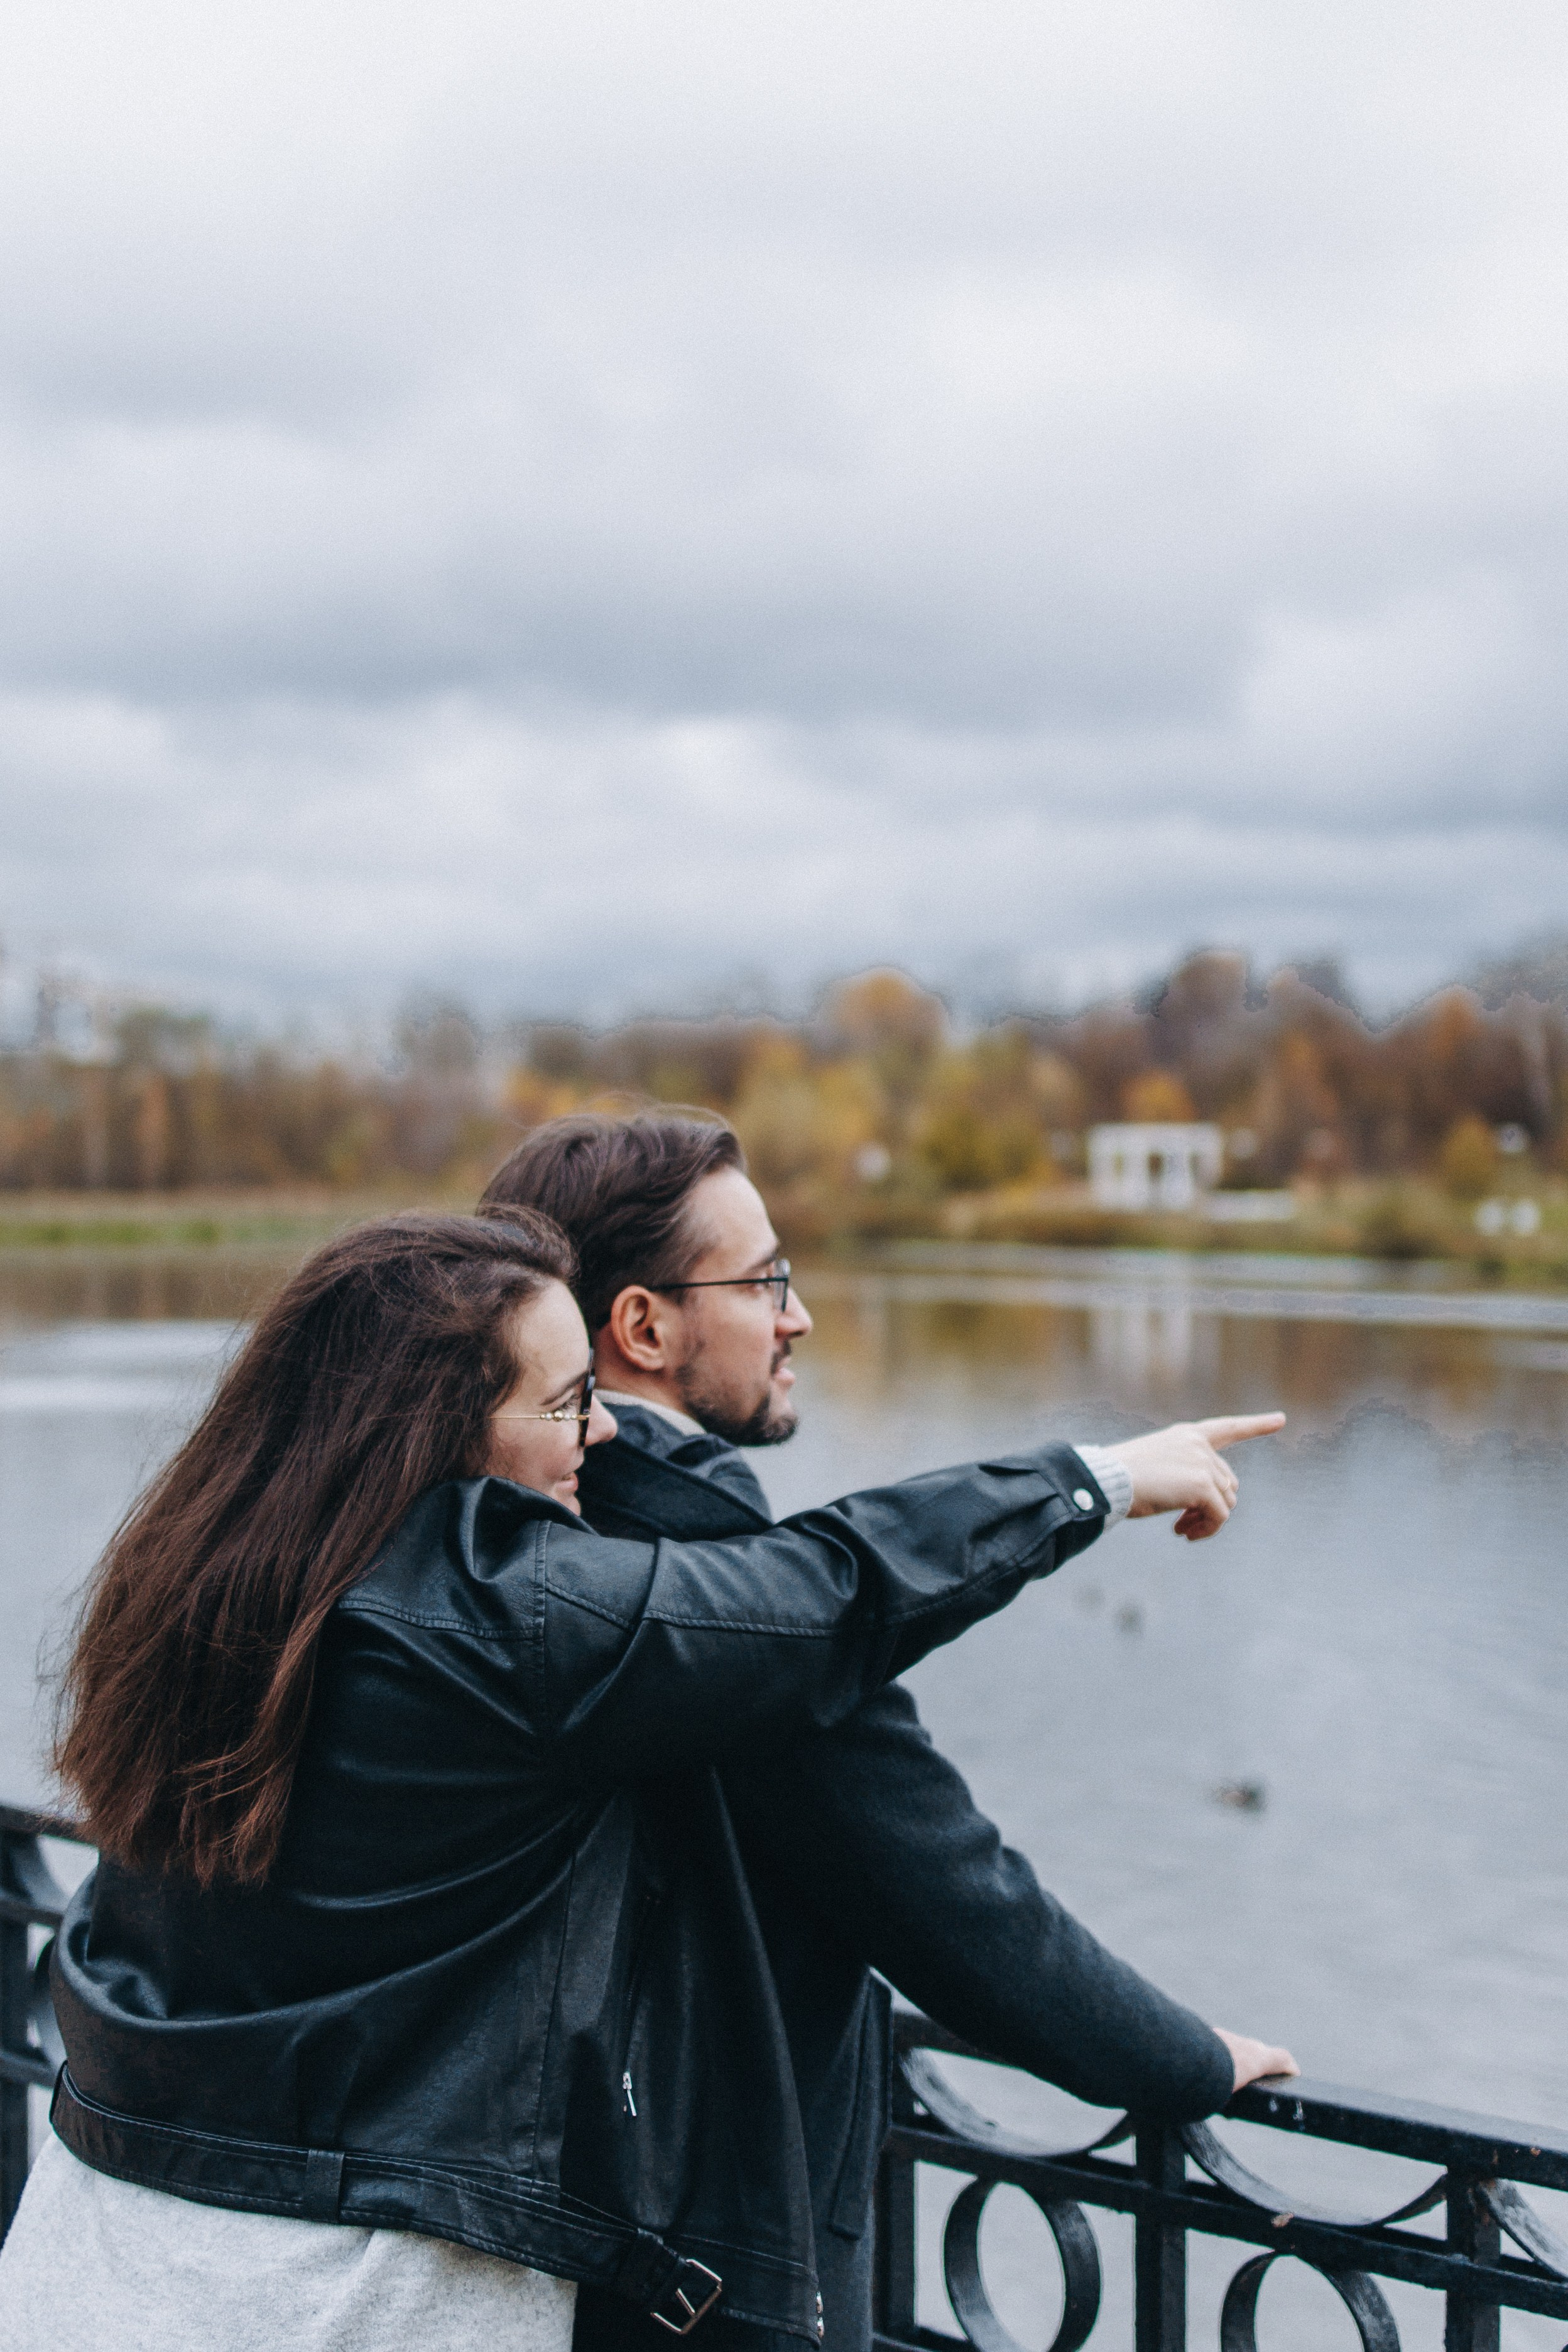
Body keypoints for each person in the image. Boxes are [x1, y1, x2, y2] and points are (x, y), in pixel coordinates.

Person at [0, 1209, 1287, 2352]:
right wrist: (1093, 1479)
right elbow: (825, 1598)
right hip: (340, 2290)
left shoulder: (217, 1568)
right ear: (430, 1432)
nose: (602, 1430)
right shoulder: (500, 1611)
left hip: (103, 2245)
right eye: (566, 1404)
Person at [479, 1113, 1295, 2352]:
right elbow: (947, 1889)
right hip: (698, 2250)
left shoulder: (497, 1534)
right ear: (642, 1328)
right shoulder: (708, 1582)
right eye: (766, 1283)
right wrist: (1180, 2059)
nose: (796, 1317)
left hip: (542, 2204)